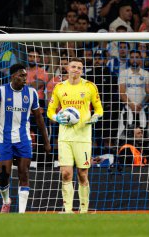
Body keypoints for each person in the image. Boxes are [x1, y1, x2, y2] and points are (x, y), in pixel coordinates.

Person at [0, 63, 51, 213]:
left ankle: (21, 213)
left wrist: (46, 141)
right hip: (4, 140)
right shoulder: (0, 91)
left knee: (24, 173)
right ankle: (6, 200)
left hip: (24, 139)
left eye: (25, 76)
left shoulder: (31, 93)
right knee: (3, 176)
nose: (24, 79)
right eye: (21, 76)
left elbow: (39, 119)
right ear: (13, 76)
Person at [47, 57, 103, 214]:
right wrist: (57, 118)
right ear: (67, 68)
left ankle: (84, 210)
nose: (76, 70)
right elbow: (50, 111)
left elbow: (99, 109)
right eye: (73, 66)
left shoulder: (90, 87)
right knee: (65, 173)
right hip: (64, 137)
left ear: (82, 70)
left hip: (83, 137)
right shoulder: (59, 87)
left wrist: (95, 117)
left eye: (79, 67)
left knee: (82, 174)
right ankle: (68, 210)